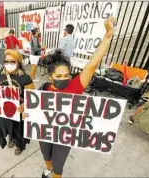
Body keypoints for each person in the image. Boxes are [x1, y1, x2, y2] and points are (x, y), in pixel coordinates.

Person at [23, 17, 117, 178]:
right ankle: (48, 168)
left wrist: (108, 36)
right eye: (59, 76)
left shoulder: (74, 86)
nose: (64, 78)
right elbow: (31, 110)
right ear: (51, 78)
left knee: (58, 167)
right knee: (46, 156)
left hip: (64, 137)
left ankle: (54, 174)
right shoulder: (44, 89)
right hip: (44, 132)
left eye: (66, 75)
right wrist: (25, 112)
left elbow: (92, 65)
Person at [0, 49, 35, 155]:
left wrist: (24, 105)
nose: (9, 64)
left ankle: (19, 145)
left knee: (19, 129)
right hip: (4, 111)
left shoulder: (25, 78)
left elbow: (32, 97)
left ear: (18, 62)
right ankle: (11, 139)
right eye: (6, 61)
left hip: (19, 111)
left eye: (12, 61)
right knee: (8, 127)